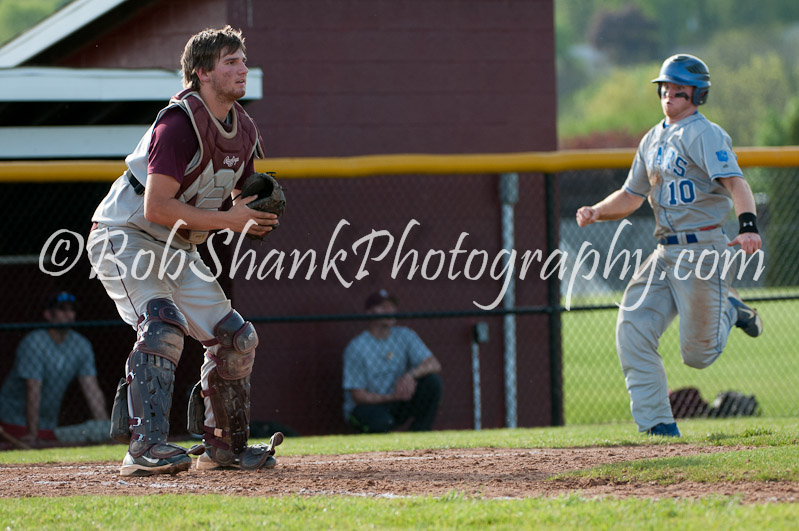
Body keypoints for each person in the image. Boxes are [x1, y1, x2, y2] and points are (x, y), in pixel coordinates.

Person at [86, 26, 281, 477]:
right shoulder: (178, 124)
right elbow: (156, 207)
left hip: (179, 246)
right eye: (230, 61)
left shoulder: (243, 129)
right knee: (163, 325)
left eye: (242, 60)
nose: (242, 68)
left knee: (236, 336)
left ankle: (224, 445)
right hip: (126, 234)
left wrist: (250, 212)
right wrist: (230, 221)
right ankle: (144, 447)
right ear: (202, 72)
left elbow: (237, 199)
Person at [575, 54, 764, 437]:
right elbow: (631, 196)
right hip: (665, 252)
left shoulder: (704, 133)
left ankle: (729, 307)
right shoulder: (652, 138)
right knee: (632, 327)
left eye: (680, 90)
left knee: (697, 356)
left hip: (703, 251)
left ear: (698, 95)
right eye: (665, 88)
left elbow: (736, 183)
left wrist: (748, 226)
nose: (670, 95)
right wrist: (597, 211)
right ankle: (657, 426)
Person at [0, 291, 109, 446]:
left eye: (72, 310)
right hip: (14, 421)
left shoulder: (81, 345)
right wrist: (32, 433)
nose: (69, 314)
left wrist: (104, 429)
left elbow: (92, 389)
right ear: (48, 314)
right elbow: (33, 389)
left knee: (96, 430)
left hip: (50, 425)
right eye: (62, 309)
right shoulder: (34, 342)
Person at [342, 290, 443, 433]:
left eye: (392, 306)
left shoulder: (405, 335)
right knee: (381, 423)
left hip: (397, 402)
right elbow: (358, 396)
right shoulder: (357, 347)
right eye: (383, 307)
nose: (389, 311)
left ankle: (420, 432)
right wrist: (391, 397)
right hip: (368, 407)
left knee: (432, 382)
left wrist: (410, 375)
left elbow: (434, 364)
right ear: (370, 313)